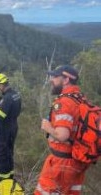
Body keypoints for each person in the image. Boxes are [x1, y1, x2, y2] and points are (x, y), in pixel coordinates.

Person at [35, 65, 89, 195]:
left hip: (61, 163)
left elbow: (63, 135)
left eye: (54, 77)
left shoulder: (64, 102)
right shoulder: (81, 98)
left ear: (65, 80)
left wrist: (48, 127)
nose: (51, 80)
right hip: (76, 162)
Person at [0, 73, 21, 183]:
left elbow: (0, 116)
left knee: (1, 155)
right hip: (13, 126)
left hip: (4, 130)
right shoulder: (16, 94)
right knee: (9, 152)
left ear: (1, 85)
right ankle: (10, 176)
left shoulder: (7, 98)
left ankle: (4, 182)